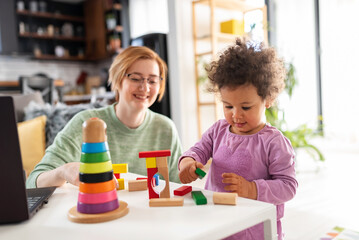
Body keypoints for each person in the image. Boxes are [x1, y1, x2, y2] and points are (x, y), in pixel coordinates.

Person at [178, 38, 298, 240]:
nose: (236, 115)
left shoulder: (274, 142)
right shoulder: (218, 130)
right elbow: (198, 150)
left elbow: (288, 186)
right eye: (228, 106)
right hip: (218, 223)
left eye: (246, 107)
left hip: (256, 230)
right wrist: (187, 163)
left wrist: (252, 189)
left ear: (267, 99)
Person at [27, 46, 182, 188]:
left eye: (153, 80)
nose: (145, 87)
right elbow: (33, 182)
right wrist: (63, 171)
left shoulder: (166, 128)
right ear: (117, 79)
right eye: (135, 78)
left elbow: (179, 186)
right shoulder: (86, 123)